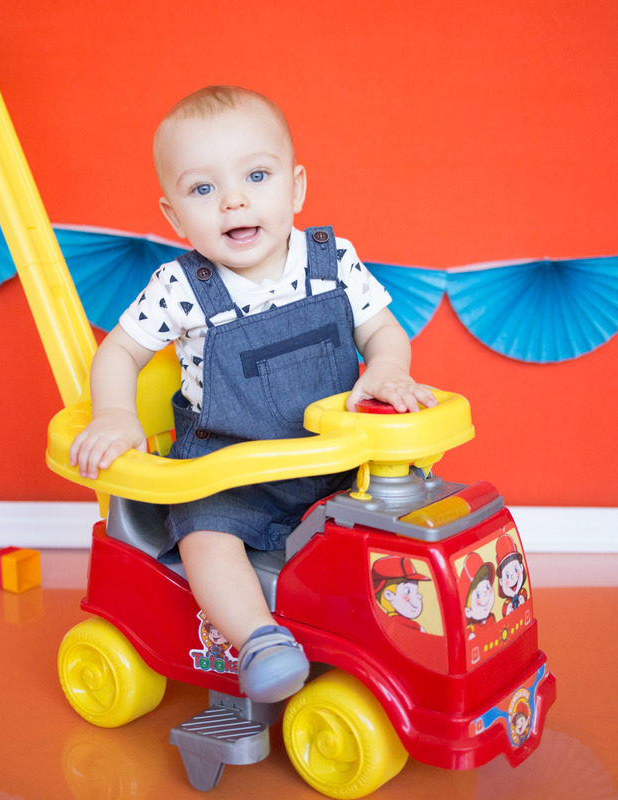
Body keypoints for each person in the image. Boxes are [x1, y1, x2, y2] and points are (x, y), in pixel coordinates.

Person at [69, 85, 437, 702]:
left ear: (294, 188)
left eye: (256, 175)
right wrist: (114, 413)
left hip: (336, 461)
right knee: (204, 537)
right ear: (173, 216)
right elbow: (120, 351)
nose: (233, 200)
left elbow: (380, 330)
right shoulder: (178, 286)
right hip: (228, 472)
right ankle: (258, 640)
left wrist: (387, 370)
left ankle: (400, 635)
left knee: (402, 509)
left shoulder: (333, 261)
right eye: (203, 189)